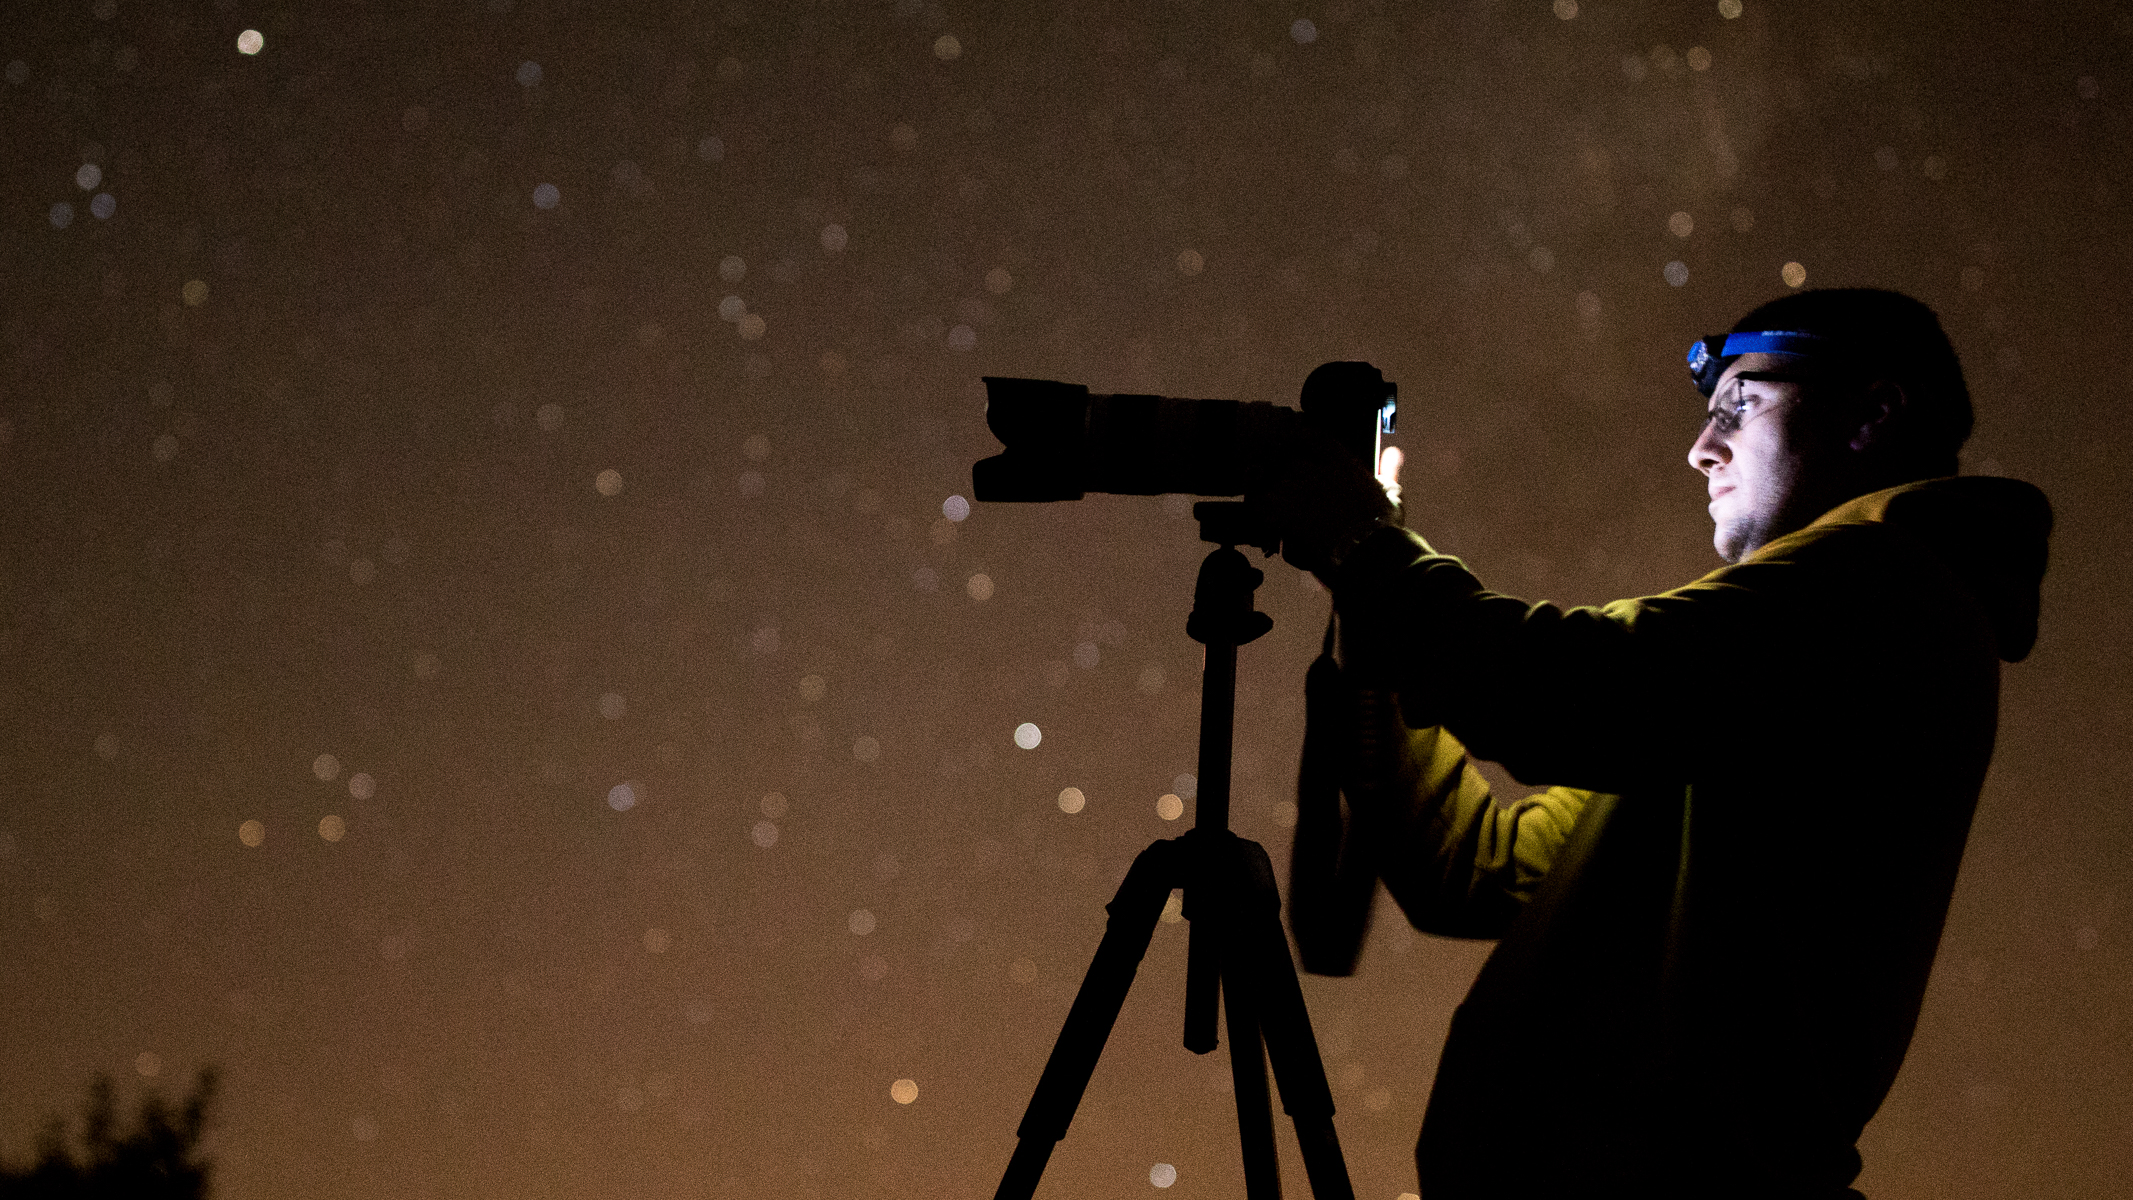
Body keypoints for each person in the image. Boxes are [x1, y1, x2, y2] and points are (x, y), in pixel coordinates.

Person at [1255, 288, 2053, 1199]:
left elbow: (1565, 690)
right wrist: (1373, 588)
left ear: (1871, 412)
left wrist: (1364, 548)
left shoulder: (1878, 588)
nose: (1699, 448)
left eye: (1739, 407)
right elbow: (1474, 870)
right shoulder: (1788, 651)